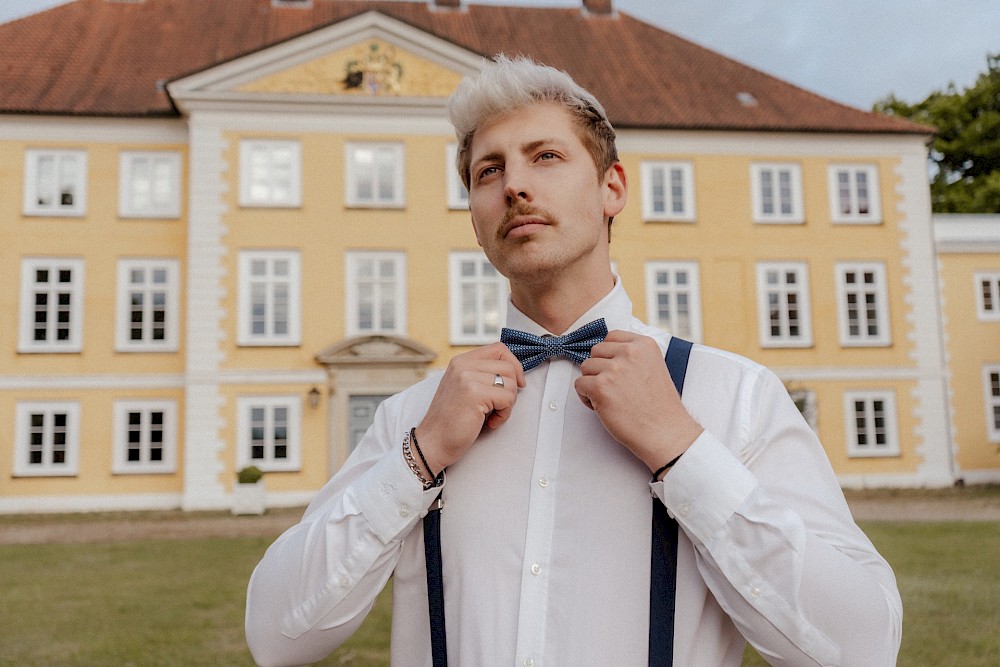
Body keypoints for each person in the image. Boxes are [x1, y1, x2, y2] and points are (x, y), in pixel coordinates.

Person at [245, 55, 902, 666]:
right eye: (488, 171)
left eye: (545, 157)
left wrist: (682, 452)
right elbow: (276, 634)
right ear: (474, 215)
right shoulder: (412, 418)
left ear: (612, 187)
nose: (515, 187)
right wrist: (417, 458)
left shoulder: (734, 395)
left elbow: (863, 641)